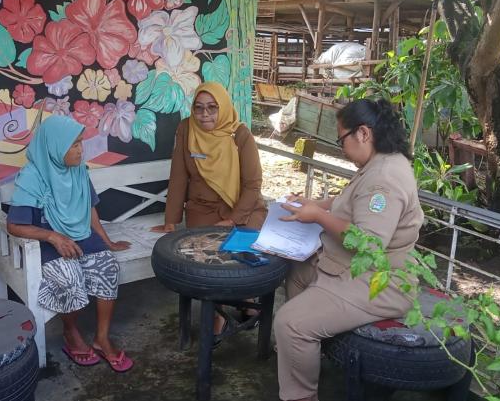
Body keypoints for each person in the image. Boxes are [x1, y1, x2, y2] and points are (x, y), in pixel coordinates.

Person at [273, 98, 424, 401]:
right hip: (351, 266)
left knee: (289, 323)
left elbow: (369, 243)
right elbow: (351, 202)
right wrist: (315, 205)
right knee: (297, 271)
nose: (341, 147)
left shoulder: (384, 178)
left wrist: (318, 217)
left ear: (363, 133)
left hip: (379, 281)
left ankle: (301, 392)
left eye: (341, 139)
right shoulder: (379, 162)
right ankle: (302, 353)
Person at [7, 115, 134, 373]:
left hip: (81, 234)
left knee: (108, 267)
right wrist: (53, 237)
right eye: (74, 145)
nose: (80, 150)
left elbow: (90, 208)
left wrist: (107, 242)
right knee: (71, 276)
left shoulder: (78, 170)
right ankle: (70, 331)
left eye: (80, 143)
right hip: (46, 241)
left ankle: (101, 338)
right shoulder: (33, 176)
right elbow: (14, 225)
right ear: (55, 147)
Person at [151, 81, 268, 336]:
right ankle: (218, 313)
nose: (205, 115)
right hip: (202, 208)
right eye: (199, 108)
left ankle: (248, 300)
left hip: (243, 207)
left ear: (223, 107)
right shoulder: (186, 129)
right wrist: (171, 220)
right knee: (207, 257)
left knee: (242, 254)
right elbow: (179, 176)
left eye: (212, 108)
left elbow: (253, 185)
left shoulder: (240, 135)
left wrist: (233, 219)